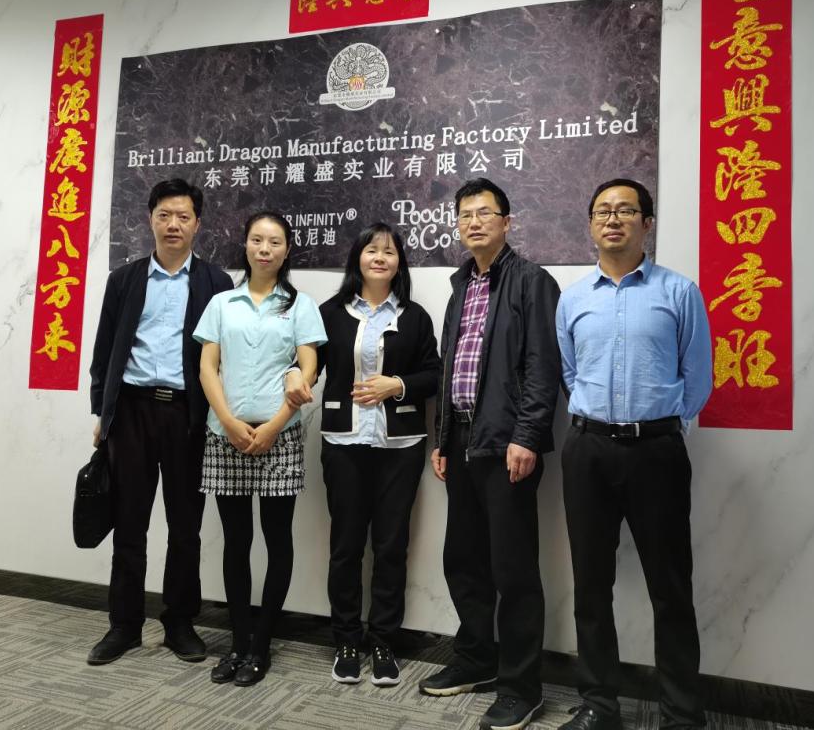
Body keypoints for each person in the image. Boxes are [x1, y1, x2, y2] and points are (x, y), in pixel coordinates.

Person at [554, 178, 712, 730]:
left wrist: (660, 425)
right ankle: (599, 705)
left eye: (626, 210)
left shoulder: (679, 292)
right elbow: (571, 374)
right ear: (591, 224)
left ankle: (682, 715)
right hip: (588, 451)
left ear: (647, 223)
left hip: (656, 453)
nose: (613, 219)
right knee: (591, 585)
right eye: (603, 211)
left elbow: (697, 378)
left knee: (670, 588)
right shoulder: (573, 299)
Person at [418, 178, 561, 730]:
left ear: (507, 221)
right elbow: (452, 366)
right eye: (465, 215)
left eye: (485, 213)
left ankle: (522, 687)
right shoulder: (461, 286)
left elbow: (543, 368)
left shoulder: (532, 282)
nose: (474, 222)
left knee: (513, 569)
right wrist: (442, 440)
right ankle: (476, 659)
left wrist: (527, 435)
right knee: (464, 559)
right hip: (462, 444)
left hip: (507, 445)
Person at [87, 178, 234, 665]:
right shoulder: (125, 279)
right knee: (128, 523)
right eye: (164, 215)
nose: (173, 224)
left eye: (183, 217)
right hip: (130, 411)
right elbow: (105, 350)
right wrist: (101, 413)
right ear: (150, 219)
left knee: (185, 526)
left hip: (187, 415)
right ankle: (124, 625)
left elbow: (223, 357)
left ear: (197, 224)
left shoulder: (216, 283)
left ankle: (180, 622)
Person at [300, 222, 440, 686]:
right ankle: (345, 640)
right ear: (357, 258)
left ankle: (383, 641)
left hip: (400, 447)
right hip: (343, 444)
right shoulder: (329, 312)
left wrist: (395, 385)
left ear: (399, 263)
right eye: (371, 250)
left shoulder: (415, 317)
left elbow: (434, 374)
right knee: (345, 547)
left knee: (391, 547)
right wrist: (293, 377)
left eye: (389, 251)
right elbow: (307, 365)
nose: (380, 258)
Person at [193, 210, 326, 687]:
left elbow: (308, 369)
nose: (264, 249)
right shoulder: (221, 303)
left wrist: (273, 426)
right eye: (256, 240)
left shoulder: (300, 305)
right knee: (236, 542)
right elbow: (208, 367)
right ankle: (237, 643)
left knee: (277, 539)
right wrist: (228, 421)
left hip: (280, 435)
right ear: (245, 245)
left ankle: (262, 645)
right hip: (225, 434)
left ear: (287, 250)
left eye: (274, 242)